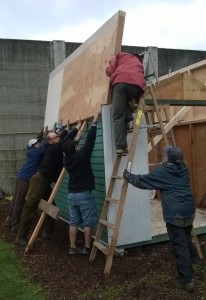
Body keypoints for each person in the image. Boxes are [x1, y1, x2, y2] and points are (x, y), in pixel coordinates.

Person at [123, 146, 196, 293]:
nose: (163, 156)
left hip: (175, 215)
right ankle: (192, 262)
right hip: (189, 210)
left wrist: (128, 176)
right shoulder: (183, 168)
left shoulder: (164, 172)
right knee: (186, 239)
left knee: (179, 245)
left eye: (165, 155)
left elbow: (142, 181)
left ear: (169, 159)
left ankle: (187, 280)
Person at [15, 118, 82, 246]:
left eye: (57, 136)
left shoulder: (51, 145)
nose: (58, 137)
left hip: (44, 181)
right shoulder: (54, 148)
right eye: (55, 137)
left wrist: (66, 129)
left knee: (52, 206)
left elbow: (60, 137)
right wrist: (77, 127)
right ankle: (21, 237)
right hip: (39, 180)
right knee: (30, 206)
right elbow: (65, 140)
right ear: (51, 141)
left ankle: (48, 232)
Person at [63, 111, 101, 256]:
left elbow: (68, 144)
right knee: (87, 222)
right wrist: (95, 121)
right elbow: (90, 140)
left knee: (73, 222)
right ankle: (86, 247)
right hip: (85, 194)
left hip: (72, 195)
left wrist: (78, 126)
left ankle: (72, 247)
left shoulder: (66, 159)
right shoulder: (82, 156)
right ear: (76, 148)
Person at [106, 52, 146, 155]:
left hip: (120, 82)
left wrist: (107, 70)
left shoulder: (120, 55)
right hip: (137, 86)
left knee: (118, 115)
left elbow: (110, 70)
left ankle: (121, 147)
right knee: (129, 103)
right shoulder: (138, 63)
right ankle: (130, 121)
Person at [5, 137, 45, 233]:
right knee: (19, 202)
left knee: (15, 201)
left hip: (22, 178)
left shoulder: (32, 151)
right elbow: (43, 149)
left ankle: (9, 221)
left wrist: (42, 137)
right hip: (24, 179)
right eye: (36, 143)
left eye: (39, 142)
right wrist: (48, 140)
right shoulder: (34, 152)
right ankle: (15, 226)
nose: (39, 144)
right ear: (32, 146)